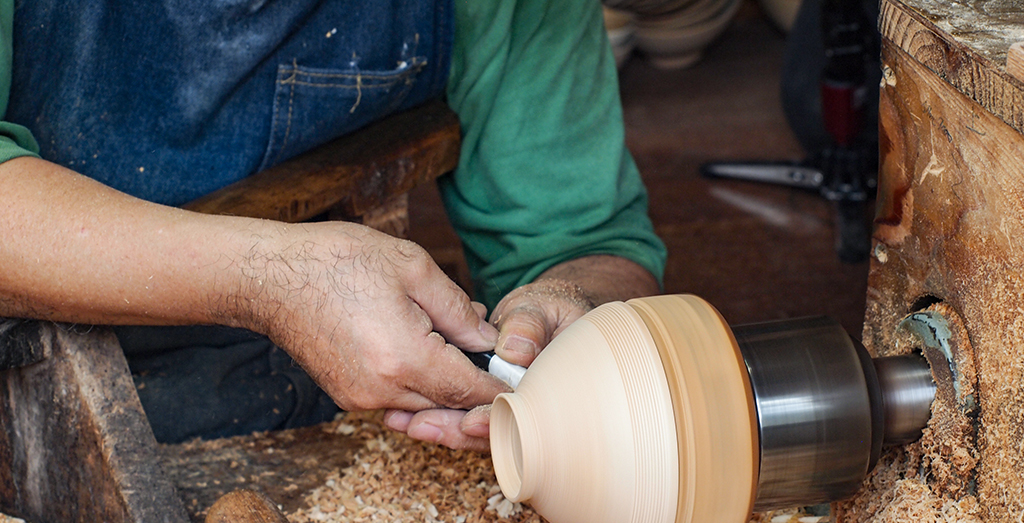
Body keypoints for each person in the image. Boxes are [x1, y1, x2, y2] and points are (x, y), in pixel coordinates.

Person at [0, 0, 666, 452]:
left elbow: (585, 238)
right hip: (32, 428)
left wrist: (574, 304)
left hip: (340, 432)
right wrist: (269, 278)